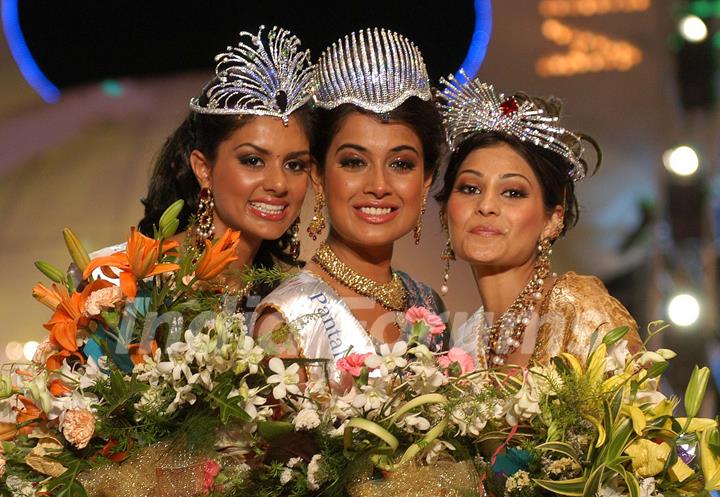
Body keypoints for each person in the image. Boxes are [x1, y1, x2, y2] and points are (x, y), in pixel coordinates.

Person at [252, 28, 446, 383]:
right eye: (354, 162)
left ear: (427, 179)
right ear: (319, 176)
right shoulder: (289, 316)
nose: (378, 186)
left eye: (401, 164)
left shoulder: (428, 305)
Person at [436, 72, 642, 369]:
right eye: (470, 188)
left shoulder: (578, 308)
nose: (486, 205)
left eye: (513, 192)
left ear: (552, 221)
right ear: (445, 213)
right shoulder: (468, 341)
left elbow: (640, 412)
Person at [134, 25, 315, 297]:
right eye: (253, 160)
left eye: (295, 165)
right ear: (204, 169)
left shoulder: (288, 302)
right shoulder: (140, 277)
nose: (279, 183)